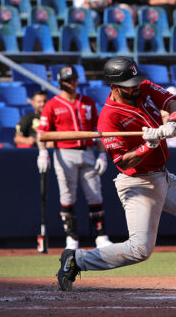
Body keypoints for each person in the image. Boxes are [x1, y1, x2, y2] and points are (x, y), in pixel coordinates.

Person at [56, 56, 176, 293]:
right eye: (130, 85)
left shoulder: (144, 87)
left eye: (136, 81)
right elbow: (122, 161)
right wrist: (146, 146)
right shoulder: (109, 118)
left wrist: (173, 123)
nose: (137, 87)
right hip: (137, 183)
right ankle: (76, 260)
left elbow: (173, 103)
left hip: (163, 176)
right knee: (140, 250)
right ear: (114, 86)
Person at [36, 66, 113, 250]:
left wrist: (102, 153)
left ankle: (101, 236)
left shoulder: (87, 101)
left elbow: (97, 130)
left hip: (87, 150)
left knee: (95, 193)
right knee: (67, 195)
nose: (72, 83)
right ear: (61, 82)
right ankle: (71, 238)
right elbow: (42, 133)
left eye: (74, 79)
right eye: (68, 80)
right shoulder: (52, 104)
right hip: (65, 153)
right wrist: (42, 151)